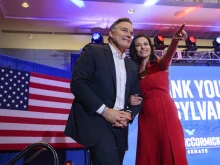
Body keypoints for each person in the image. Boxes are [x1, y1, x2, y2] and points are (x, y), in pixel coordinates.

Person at [64, 18, 142, 165]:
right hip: (99, 122)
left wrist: (130, 113)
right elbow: (78, 84)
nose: (129, 35)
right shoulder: (93, 51)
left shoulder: (131, 65)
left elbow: (138, 96)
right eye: (124, 30)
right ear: (111, 33)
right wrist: (105, 111)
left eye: (131, 33)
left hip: (121, 127)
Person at [129, 24, 188, 165]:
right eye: (138, 45)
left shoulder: (161, 64)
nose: (143, 47)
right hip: (146, 117)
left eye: (145, 44)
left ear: (150, 46)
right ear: (134, 49)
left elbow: (169, 54)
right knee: (149, 153)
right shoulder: (132, 71)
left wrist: (175, 40)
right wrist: (130, 99)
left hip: (166, 114)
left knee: (171, 149)